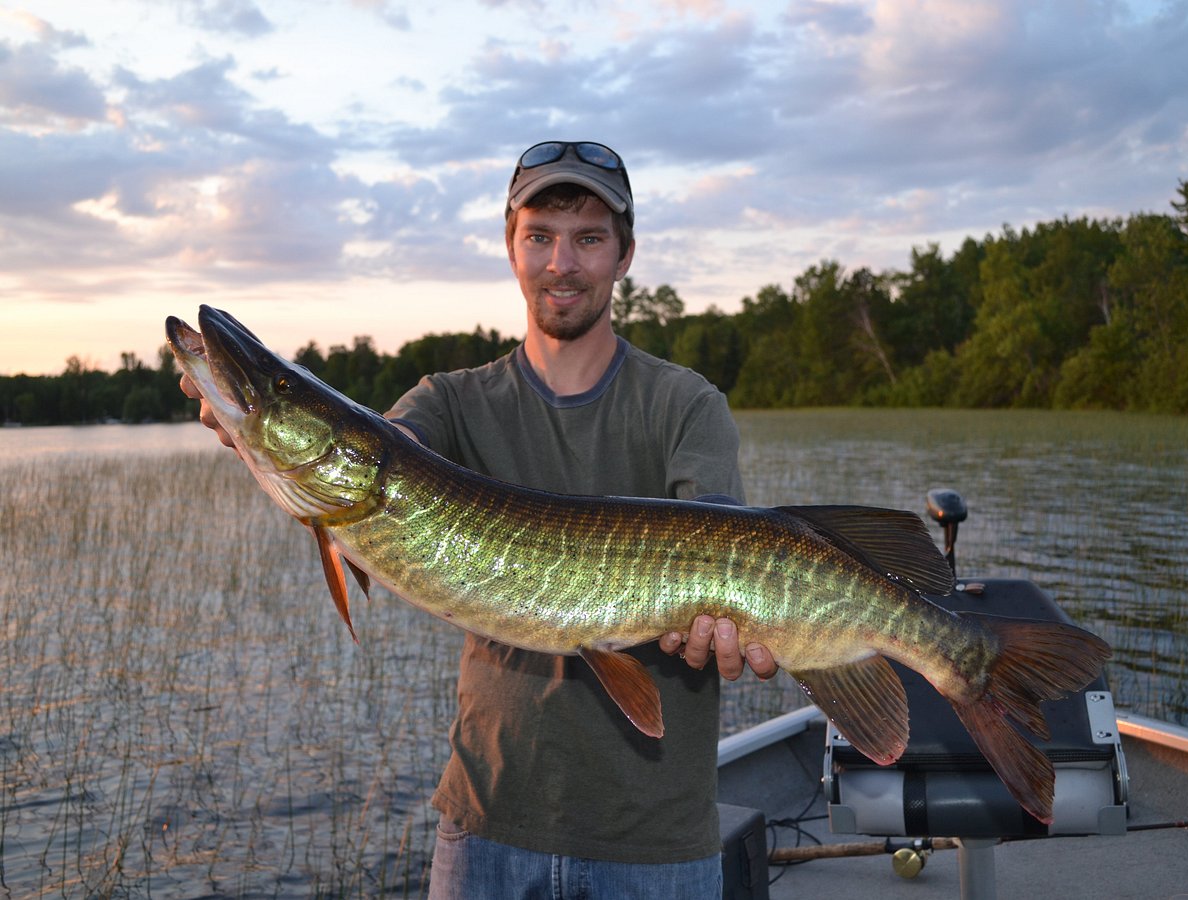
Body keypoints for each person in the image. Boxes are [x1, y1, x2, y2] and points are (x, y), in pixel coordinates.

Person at [182, 140, 777, 898]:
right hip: (487, 828)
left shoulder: (686, 404)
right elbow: (386, 452)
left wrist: (727, 627)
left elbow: (722, 543)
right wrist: (253, 432)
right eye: (540, 236)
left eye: (589, 238)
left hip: (656, 844)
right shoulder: (449, 401)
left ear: (624, 256)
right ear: (511, 248)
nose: (562, 262)